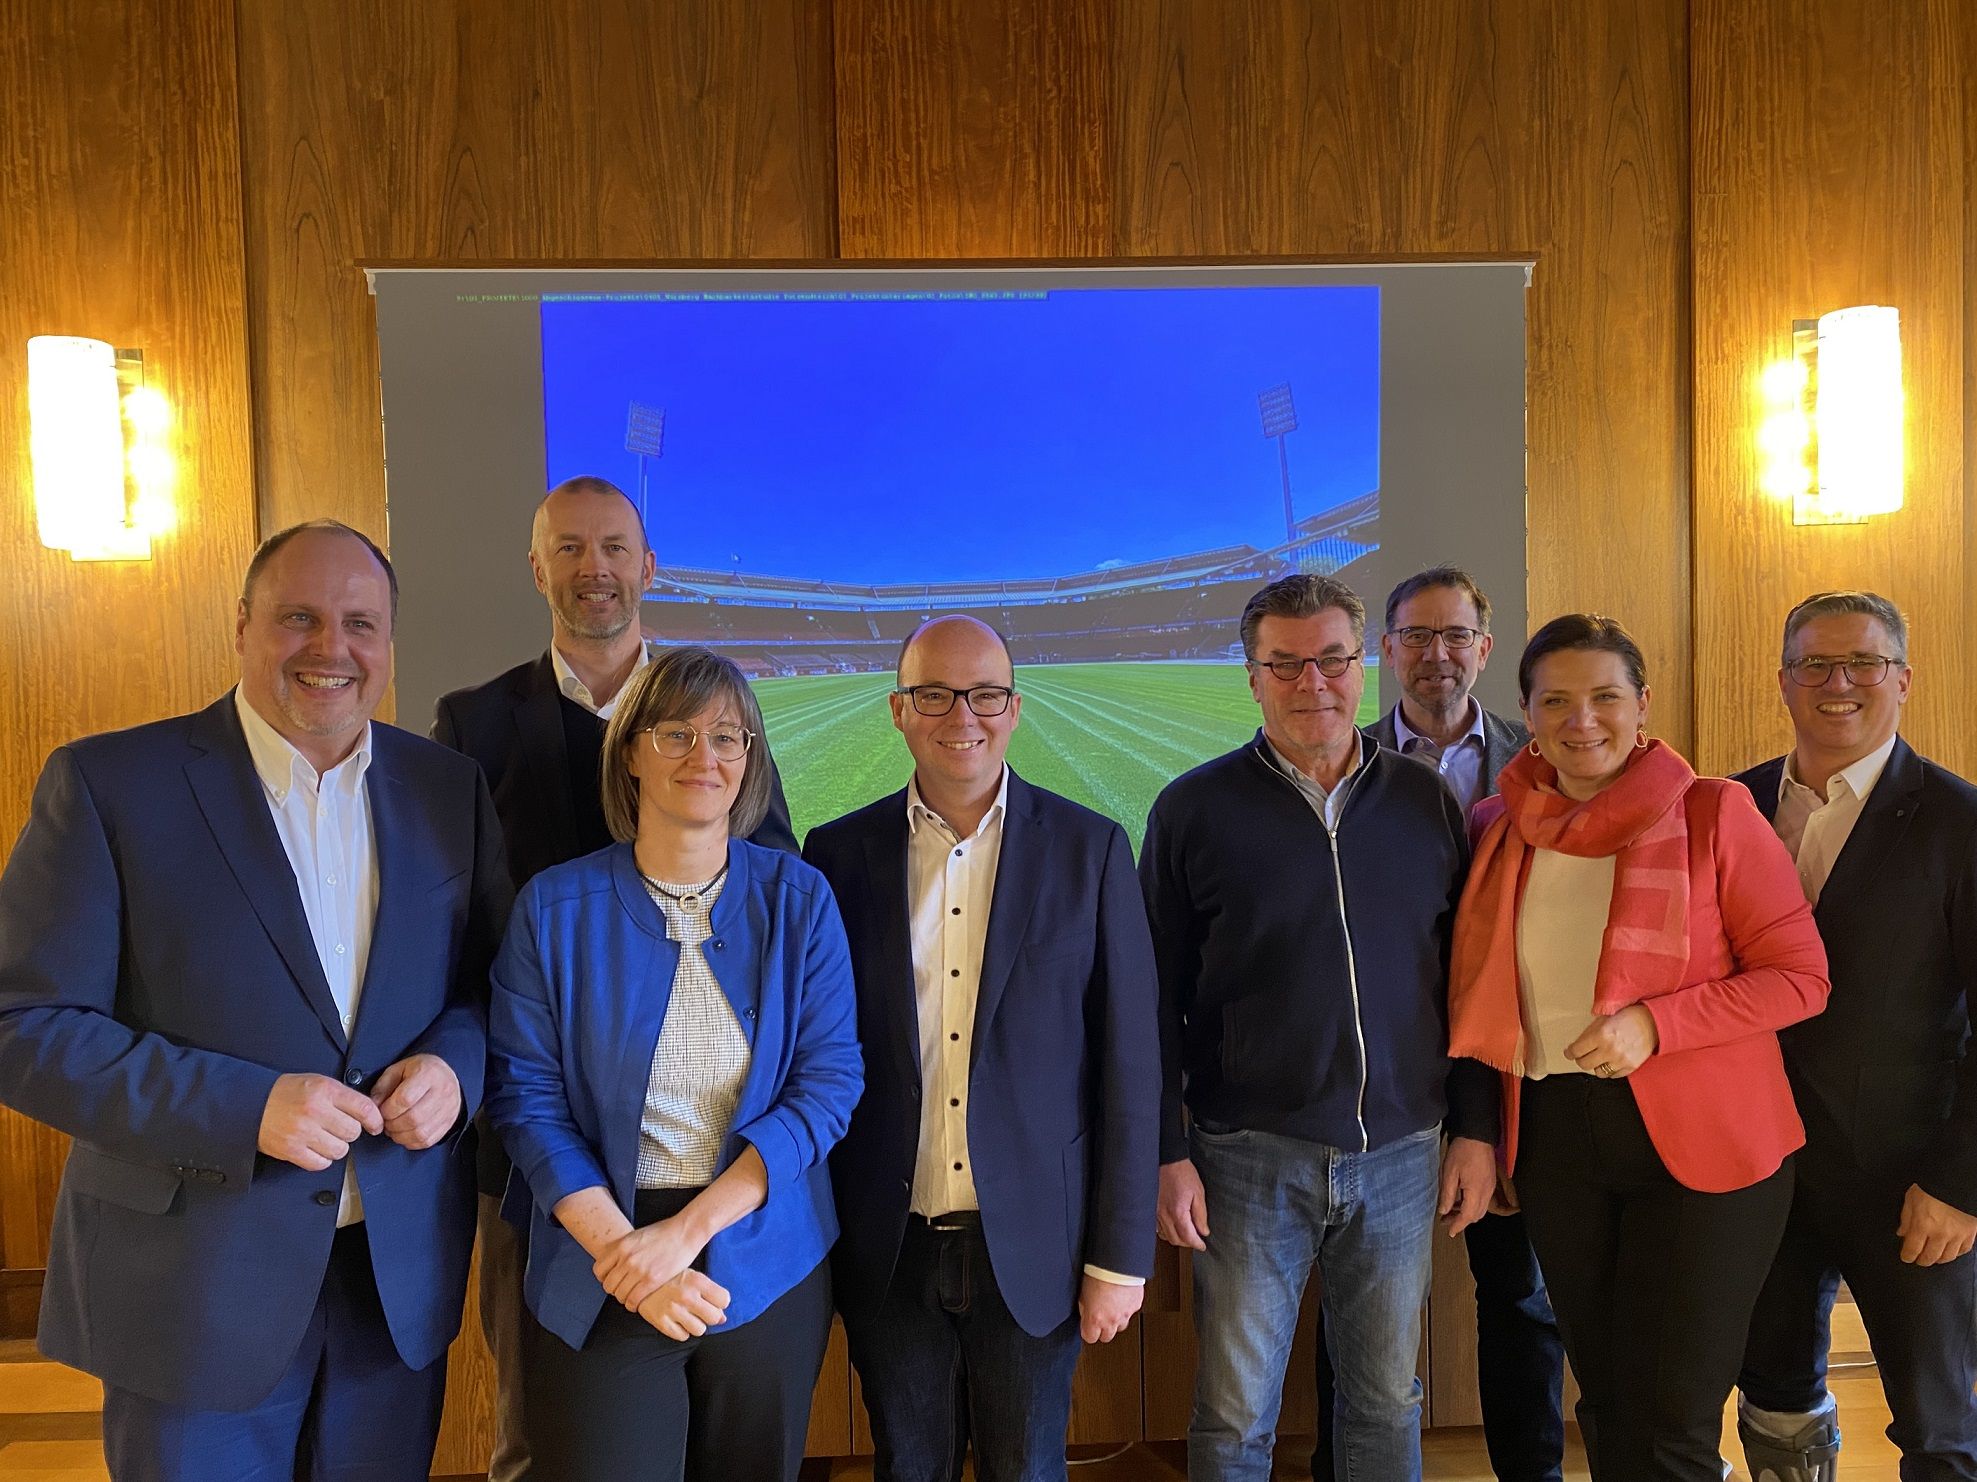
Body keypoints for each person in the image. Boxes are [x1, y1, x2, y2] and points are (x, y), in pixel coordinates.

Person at [0, 521, 510, 1479]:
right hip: (193, 1292)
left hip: (391, 1286)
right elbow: (24, 1027)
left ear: (388, 641)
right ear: (242, 626)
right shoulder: (111, 784)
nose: (331, 648)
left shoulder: (446, 788)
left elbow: (485, 985)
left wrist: (455, 1068)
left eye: (360, 624)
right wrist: (247, 1108)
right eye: (298, 618)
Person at [431, 473, 797, 1481]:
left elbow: (771, 881)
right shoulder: (474, 722)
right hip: (542, 1141)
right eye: (570, 548)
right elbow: (450, 925)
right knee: (538, 1433)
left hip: (706, 1146)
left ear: (648, 566)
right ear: (536, 567)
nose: (593, 568)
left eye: (613, 547)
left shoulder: (710, 717)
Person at [1447, 613, 1830, 1481]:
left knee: (1669, 1418)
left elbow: (1799, 977)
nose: (1581, 719)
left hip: (1706, 1152)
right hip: (1555, 1142)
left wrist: (1656, 1025)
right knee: (1609, 1404)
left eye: (1604, 697)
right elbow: (1471, 993)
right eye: (1555, 701)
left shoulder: (1713, 812)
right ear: (1526, 714)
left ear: (1641, 704)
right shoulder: (1497, 825)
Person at [1141, 573, 1501, 1482]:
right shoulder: (1192, 809)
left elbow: (1464, 982)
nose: (1313, 684)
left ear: (1361, 664)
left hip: (1402, 1154)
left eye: (1332, 660)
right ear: (1251, 676)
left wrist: (1475, 1128)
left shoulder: (1425, 801)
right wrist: (1165, 1151)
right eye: (1285, 665)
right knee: (1234, 1416)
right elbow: (1152, 999)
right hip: (1245, 1156)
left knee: (1384, 1403)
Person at [487, 646, 859, 1482]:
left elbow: (829, 1085)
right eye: (676, 733)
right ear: (630, 752)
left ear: (749, 760)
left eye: (727, 737)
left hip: (762, 1250)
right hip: (599, 1252)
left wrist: (685, 1237)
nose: (704, 756)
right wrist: (632, 1258)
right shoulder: (553, 908)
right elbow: (526, 1103)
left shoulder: (800, 900)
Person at [804, 615, 1161, 1482]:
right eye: (933, 694)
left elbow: (1129, 1067)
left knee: (1026, 1467)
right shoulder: (838, 855)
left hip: (1037, 1246)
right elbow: (819, 1057)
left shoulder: (1090, 849)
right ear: (898, 710)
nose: (961, 715)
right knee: (908, 1466)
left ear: (1014, 708)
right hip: (889, 1243)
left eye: (985, 695)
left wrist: (1119, 1257)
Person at [1325, 566, 1563, 1482]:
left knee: (1518, 1292)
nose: (1436, 654)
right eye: (1416, 637)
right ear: (1385, 651)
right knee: (1351, 1308)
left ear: (1484, 648)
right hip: (1379, 1067)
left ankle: (1530, 1472)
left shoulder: (1542, 762)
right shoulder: (1336, 764)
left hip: (1506, 1065)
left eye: (1455, 635)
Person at [1733, 591, 1977, 1481]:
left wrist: (1959, 1184)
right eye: (1814, 664)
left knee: (1936, 1421)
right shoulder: (1728, 805)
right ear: (1783, 681)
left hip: (1908, 1180)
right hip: (1754, 1167)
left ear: (1901, 679)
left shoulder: (1959, 821)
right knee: (1773, 1397)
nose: (1837, 683)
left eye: (1862, 663)